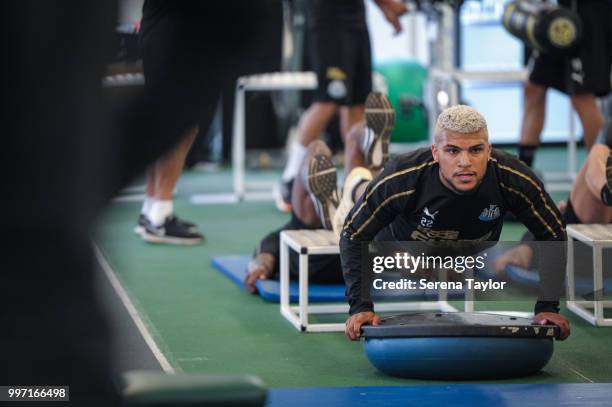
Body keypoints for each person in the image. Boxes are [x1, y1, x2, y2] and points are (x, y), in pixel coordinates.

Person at [331, 100, 570, 341]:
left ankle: (366, 175)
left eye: (475, 150)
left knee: (449, 273)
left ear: (489, 150)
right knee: (369, 196)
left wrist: (548, 307)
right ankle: (355, 185)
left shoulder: (513, 178)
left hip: (463, 253)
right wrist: (360, 307)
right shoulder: (405, 176)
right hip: (400, 244)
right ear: (435, 152)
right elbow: (354, 234)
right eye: (452, 150)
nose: (464, 162)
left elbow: (553, 231)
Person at [276, 0, 407, 212]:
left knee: (356, 102)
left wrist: (386, 8)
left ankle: (353, 182)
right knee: (329, 99)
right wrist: (388, 5)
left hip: (355, 15)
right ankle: (289, 179)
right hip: (328, 16)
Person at [494, 137, 612, 272]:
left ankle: (606, 192)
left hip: (588, 247)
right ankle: (606, 192)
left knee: (599, 151)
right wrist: (525, 249)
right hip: (578, 242)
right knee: (599, 151)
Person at [517, 0, 612, 167]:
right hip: (559, 14)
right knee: (534, 87)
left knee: (582, 97)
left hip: (588, 17)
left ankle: (603, 172)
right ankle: (523, 170)